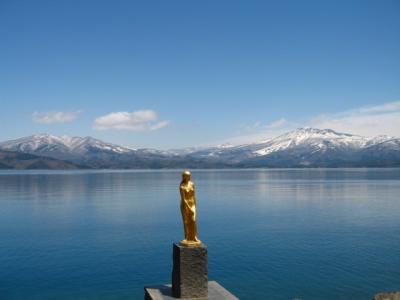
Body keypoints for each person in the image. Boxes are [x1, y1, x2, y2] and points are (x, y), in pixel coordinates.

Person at [179, 170, 201, 246]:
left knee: (193, 220)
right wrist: (189, 207)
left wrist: (195, 205)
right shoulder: (182, 186)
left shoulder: (192, 184)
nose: (189, 177)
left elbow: (194, 195)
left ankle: (194, 237)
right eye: (187, 176)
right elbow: (183, 199)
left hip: (192, 204)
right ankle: (187, 237)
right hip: (185, 205)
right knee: (186, 222)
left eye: (189, 176)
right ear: (184, 177)